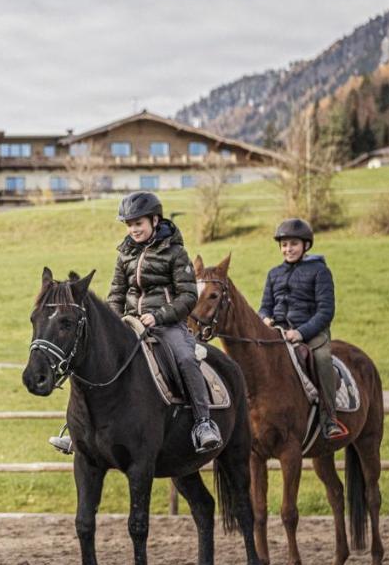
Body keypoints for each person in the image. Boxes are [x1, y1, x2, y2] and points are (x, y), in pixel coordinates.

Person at [51, 192, 222, 455]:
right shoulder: (125, 255)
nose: (133, 229)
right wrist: (111, 324)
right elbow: (117, 294)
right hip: (130, 324)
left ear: (155, 220)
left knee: (186, 359)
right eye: (129, 224)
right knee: (93, 359)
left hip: (168, 325)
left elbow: (188, 296)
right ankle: (78, 431)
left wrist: (160, 315)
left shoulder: (176, 253)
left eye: (138, 223)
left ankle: (203, 423)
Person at [259, 218, 346, 440]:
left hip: (313, 334)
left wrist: (300, 333)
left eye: (293, 244)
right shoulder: (273, 274)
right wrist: (265, 319)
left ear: (306, 245)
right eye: (284, 245)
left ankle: (330, 419)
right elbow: (265, 307)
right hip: (279, 333)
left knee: (323, 359)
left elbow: (325, 312)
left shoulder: (320, 272)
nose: (288, 249)